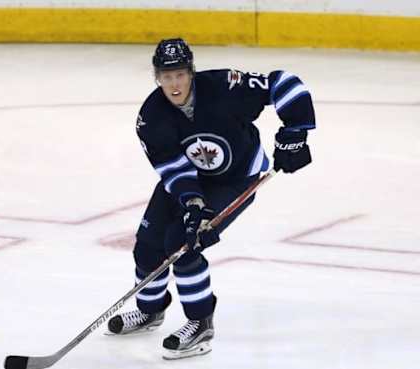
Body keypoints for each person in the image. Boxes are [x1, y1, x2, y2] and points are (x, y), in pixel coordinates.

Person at [107, 38, 315, 359]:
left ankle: (200, 323)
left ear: (191, 72)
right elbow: (174, 169)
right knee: (148, 242)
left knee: (184, 242)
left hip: (235, 179)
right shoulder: (151, 117)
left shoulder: (224, 87)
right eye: (166, 76)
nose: (174, 83)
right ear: (157, 77)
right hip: (192, 181)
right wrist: (193, 204)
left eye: (179, 74)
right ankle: (150, 311)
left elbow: (285, 84)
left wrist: (294, 134)